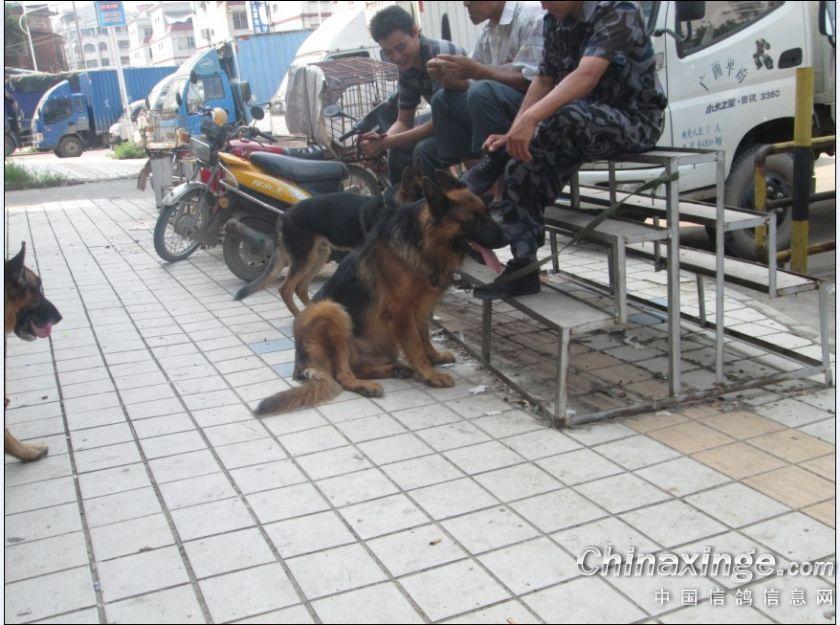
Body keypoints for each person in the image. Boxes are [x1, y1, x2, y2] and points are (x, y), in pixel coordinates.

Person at [463, 0, 668, 299]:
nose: (543, 5)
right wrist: (513, 132)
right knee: (520, 165)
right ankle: (524, 268)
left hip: (634, 120)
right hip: (579, 121)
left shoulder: (618, 9)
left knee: (563, 115)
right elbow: (544, 79)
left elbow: (586, 77)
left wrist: (530, 120)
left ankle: (494, 162)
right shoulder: (555, 20)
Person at [426, 1, 545, 182]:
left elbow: (538, 82)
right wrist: (445, 75)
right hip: (497, 107)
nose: (466, 5)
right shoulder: (488, 32)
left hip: (533, 109)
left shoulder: (532, 16)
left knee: (481, 91)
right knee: (442, 100)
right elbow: (469, 82)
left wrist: (478, 72)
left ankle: (496, 185)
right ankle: (479, 184)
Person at [360, 6, 467, 184]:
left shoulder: (438, 56)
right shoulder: (407, 67)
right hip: (448, 125)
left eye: (401, 47)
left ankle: (436, 200)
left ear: (415, 31)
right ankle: (401, 200)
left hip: (471, 125)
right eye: (388, 52)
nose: (397, 57)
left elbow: (442, 120)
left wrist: (387, 143)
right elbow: (403, 121)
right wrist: (382, 142)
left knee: (423, 151)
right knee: (396, 151)